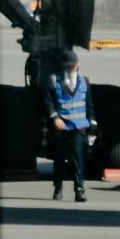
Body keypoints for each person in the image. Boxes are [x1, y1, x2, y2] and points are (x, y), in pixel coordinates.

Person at [46, 47, 97, 201]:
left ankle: (79, 189)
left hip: (79, 126)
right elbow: (48, 101)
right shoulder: (54, 80)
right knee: (59, 157)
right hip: (62, 125)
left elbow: (89, 105)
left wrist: (93, 126)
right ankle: (58, 187)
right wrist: (55, 118)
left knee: (77, 157)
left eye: (72, 66)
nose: (70, 69)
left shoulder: (84, 81)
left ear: (77, 66)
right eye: (67, 66)